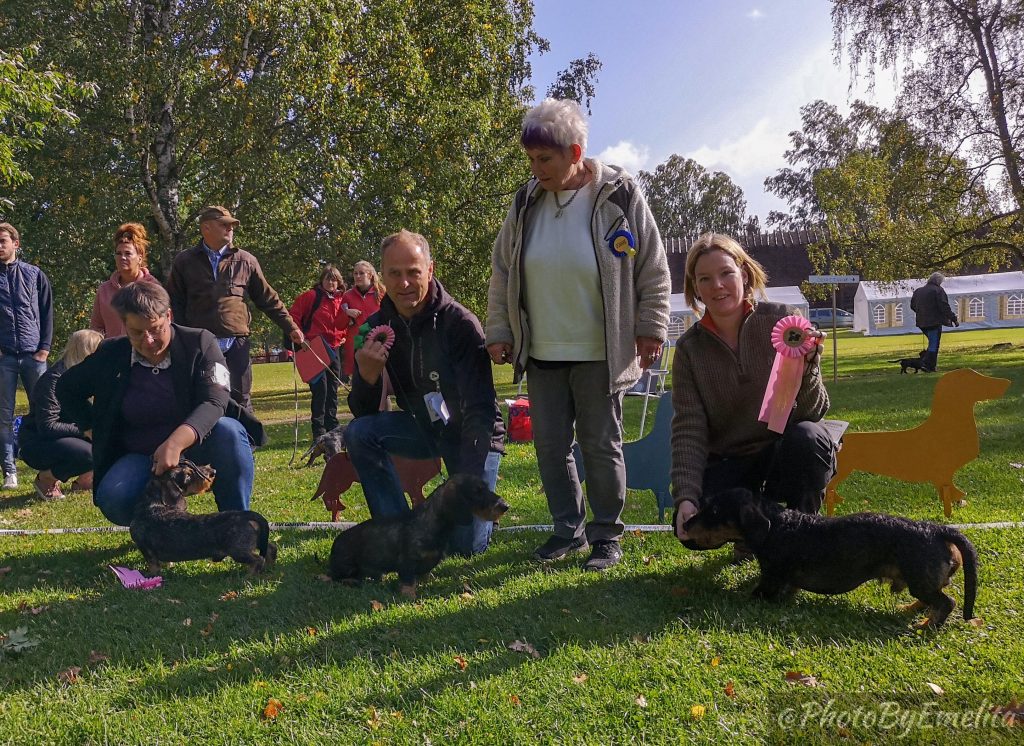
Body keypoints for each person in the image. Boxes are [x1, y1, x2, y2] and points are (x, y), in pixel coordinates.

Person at [486, 98, 671, 571]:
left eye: (543, 159)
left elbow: (652, 266)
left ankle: (606, 534)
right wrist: (500, 329)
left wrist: (650, 327)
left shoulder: (620, 194)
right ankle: (566, 528)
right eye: (530, 159)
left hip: (600, 351)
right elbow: (503, 270)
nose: (535, 168)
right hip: (542, 351)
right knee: (550, 447)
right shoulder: (525, 201)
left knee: (600, 444)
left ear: (574, 152)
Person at [669, 233, 835, 561]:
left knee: (809, 439)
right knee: (693, 531)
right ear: (695, 287)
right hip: (731, 461)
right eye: (705, 279)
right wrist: (686, 497)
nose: (717, 285)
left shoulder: (783, 320)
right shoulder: (689, 350)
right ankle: (749, 536)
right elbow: (688, 429)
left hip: (782, 451)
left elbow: (813, 411)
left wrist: (810, 365)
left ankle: (806, 532)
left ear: (744, 274)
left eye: (726, 273)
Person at [345, 230, 505, 557]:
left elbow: (481, 410)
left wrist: (466, 484)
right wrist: (367, 378)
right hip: (425, 428)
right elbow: (363, 412)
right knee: (360, 433)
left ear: (429, 271)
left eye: (413, 272)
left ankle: (484, 522)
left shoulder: (460, 323)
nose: (404, 283)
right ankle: (396, 531)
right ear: (382, 276)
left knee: (465, 548)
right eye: (395, 273)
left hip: (471, 436)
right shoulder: (376, 328)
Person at [56, 282, 265, 526]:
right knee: (114, 497)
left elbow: (215, 399)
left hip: (201, 445)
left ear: (168, 316)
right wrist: (92, 428)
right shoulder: (110, 353)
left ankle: (237, 524)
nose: (149, 340)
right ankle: (156, 529)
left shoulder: (200, 342)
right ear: (124, 325)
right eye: (136, 332)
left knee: (229, 431)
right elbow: (66, 389)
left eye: (156, 329)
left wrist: (175, 443)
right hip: (140, 455)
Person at [167, 205, 303, 411]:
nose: (230, 229)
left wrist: (290, 326)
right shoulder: (184, 261)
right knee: (204, 399)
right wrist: (181, 339)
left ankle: (245, 442)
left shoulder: (246, 260)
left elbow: (268, 298)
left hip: (236, 342)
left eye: (232, 226)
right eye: (224, 225)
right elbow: (174, 302)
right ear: (206, 228)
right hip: (200, 343)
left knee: (240, 399)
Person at [18, 330, 103, 500]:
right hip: (37, 442)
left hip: (67, 436)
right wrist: (86, 430)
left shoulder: (86, 378)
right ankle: (46, 479)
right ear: (86, 352)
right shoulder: (53, 380)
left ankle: (85, 480)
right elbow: (48, 426)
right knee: (91, 453)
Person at [0, 222, 54, 490]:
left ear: (15, 244)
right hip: (4, 358)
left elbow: (47, 312)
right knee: (4, 416)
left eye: (3, 241)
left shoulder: (34, 275)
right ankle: (9, 470)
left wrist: (44, 347)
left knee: (44, 411)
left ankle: (47, 466)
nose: (0, 246)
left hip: (34, 355)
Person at [288, 265, 348, 439]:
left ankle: (332, 427)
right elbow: (293, 317)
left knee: (333, 390)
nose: (331, 282)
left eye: (335, 279)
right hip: (314, 349)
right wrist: (301, 338)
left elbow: (344, 322)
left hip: (334, 348)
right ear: (322, 280)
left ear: (339, 282)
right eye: (328, 278)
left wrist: (343, 336)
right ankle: (319, 431)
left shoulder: (341, 300)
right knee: (320, 390)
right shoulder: (311, 297)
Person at [90, 223, 161, 337]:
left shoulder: (153, 287)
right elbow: (96, 328)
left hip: (144, 351)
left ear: (140, 257)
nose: (122, 257)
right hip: (112, 352)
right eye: (118, 253)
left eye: (128, 253)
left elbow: (163, 325)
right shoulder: (104, 290)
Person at [340, 260, 384, 382]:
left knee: (381, 385)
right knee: (359, 385)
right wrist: (346, 313)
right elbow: (338, 325)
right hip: (357, 345)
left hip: (378, 343)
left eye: (361, 273)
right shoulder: (347, 296)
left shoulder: (381, 293)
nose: (357, 276)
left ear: (370, 275)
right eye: (355, 273)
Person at [911, 272, 959, 372]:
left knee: (932, 343)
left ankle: (931, 366)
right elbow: (944, 306)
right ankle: (927, 364)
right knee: (934, 344)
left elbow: (913, 306)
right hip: (933, 322)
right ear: (938, 281)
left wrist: (921, 313)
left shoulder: (918, 291)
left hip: (921, 322)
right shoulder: (938, 290)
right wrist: (953, 318)